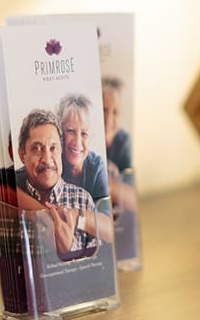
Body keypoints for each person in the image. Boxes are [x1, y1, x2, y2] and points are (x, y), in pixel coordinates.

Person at [14, 108, 98, 261]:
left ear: (61, 152)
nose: (47, 159)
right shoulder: (11, 203)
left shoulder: (83, 200)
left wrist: (69, 249)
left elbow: (95, 266)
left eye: (53, 148)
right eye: (37, 149)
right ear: (22, 155)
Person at [56, 93, 114, 243]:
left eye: (84, 134)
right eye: (70, 131)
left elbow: (109, 230)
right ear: (60, 133)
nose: (77, 141)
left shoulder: (96, 167)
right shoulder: (52, 160)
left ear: (92, 137)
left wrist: (76, 218)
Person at [102, 77, 137, 212]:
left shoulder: (123, 141)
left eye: (115, 112)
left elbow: (131, 199)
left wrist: (108, 186)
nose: (109, 119)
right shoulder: (83, 140)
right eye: (104, 110)